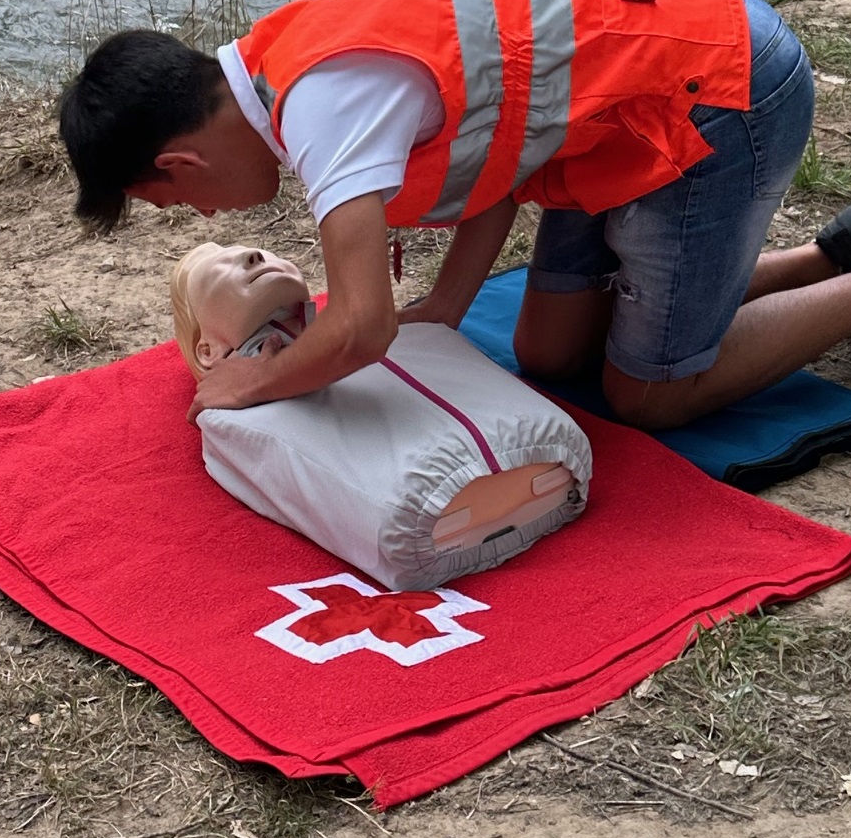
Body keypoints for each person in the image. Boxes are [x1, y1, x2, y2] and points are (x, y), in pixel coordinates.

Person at [59, 0, 851, 430]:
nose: (216, 215)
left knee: (648, 397)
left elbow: (358, 328)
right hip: (626, 103)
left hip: (716, 92)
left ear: (177, 165)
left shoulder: (320, 105)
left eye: (184, 205)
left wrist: (248, 388)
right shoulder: (284, 50)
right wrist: (452, 301)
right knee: (550, 352)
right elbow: (489, 156)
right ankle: (838, 254)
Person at [168, 240, 590, 591]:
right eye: (221, 266)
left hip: (528, 470)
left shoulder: (381, 332)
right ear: (207, 350)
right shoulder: (229, 422)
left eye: (262, 251)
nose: (254, 257)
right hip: (451, 511)